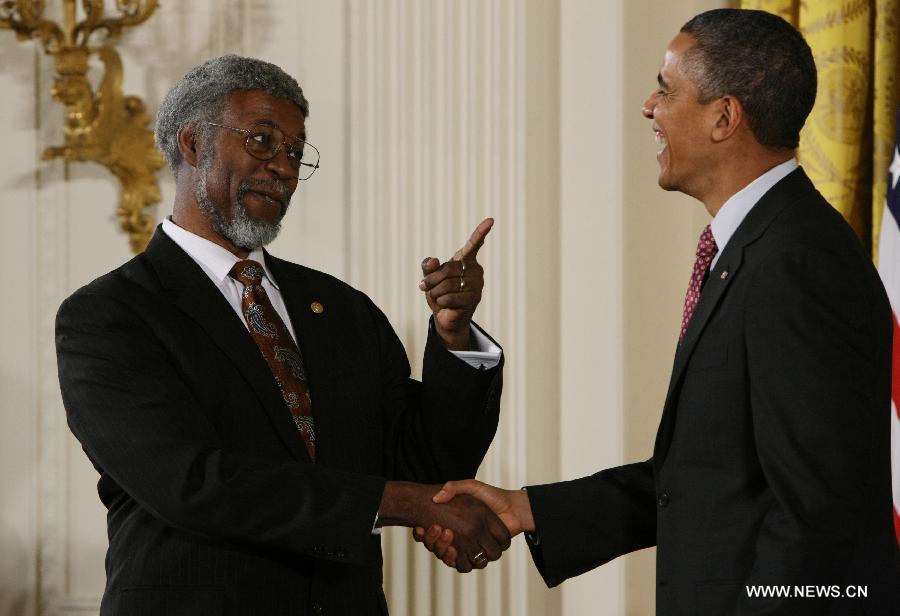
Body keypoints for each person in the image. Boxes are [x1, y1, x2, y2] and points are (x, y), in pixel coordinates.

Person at [417, 9, 900, 615]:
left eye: (666, 89)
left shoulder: (797, 262)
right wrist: (526, 509)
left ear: (725, 117)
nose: (649, 106)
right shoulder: (757, 248)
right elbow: (703, 480)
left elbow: (816, 516)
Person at [55, 54, 511, 616]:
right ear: (194, 143)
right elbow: (192, 483)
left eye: (296, 153)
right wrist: (409, 504)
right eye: (263, 142)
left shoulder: (342, 309)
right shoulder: (110, 315)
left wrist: (454, 336)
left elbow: (425, 462)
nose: (284, 169)